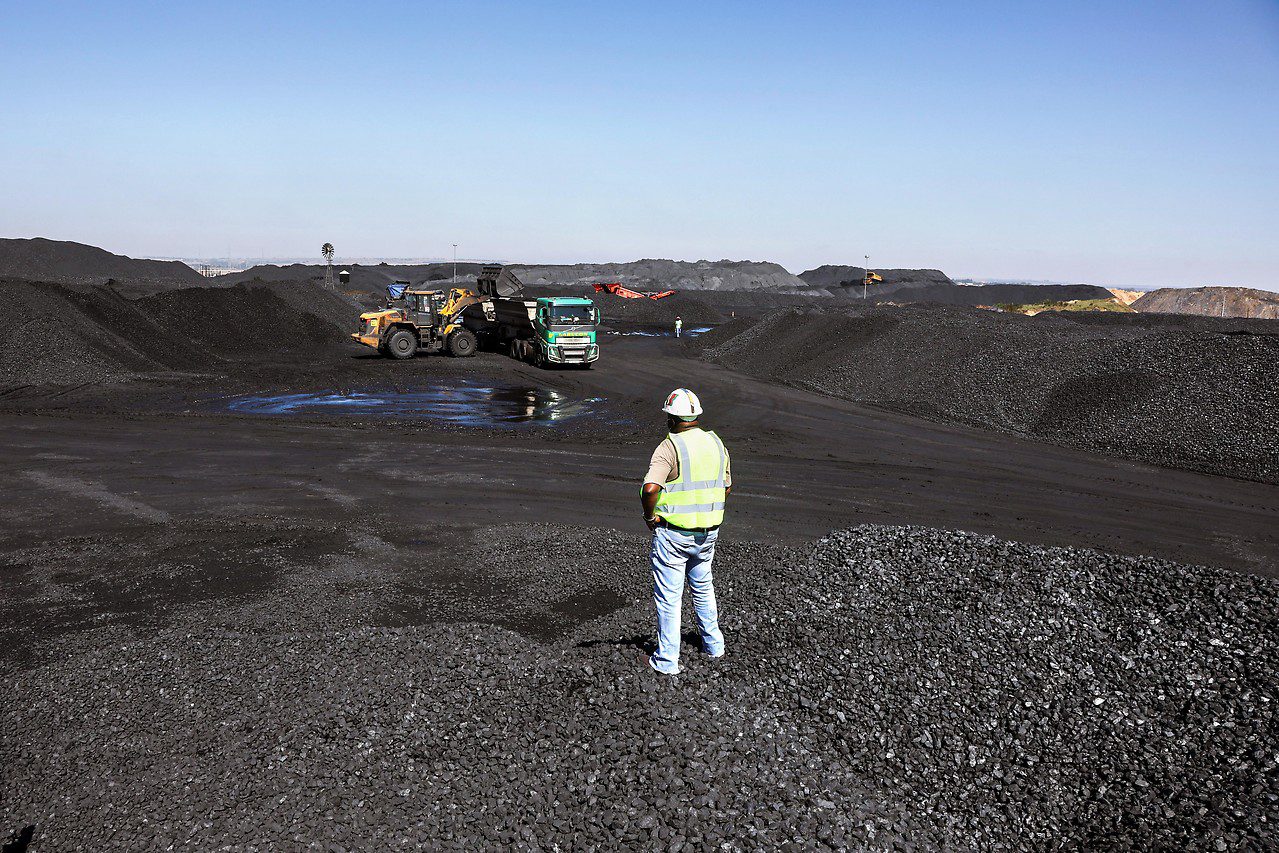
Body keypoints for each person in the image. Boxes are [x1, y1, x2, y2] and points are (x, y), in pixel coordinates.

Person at [640, 388, 730, 674]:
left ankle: (667, 660)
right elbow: (726, 484)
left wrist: (649, 515)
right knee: (703, 588)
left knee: (669, 596)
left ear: (671, 417)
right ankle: (714, 646)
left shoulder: (670, 447)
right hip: (708, 533)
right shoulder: (716, 443)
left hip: (674, 534)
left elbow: (651, 488)